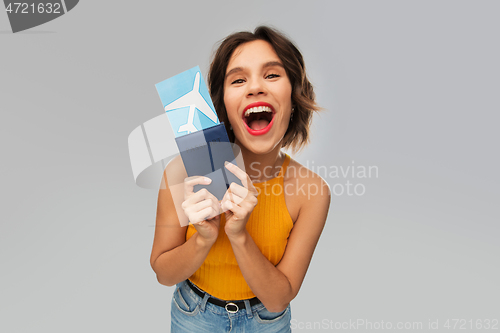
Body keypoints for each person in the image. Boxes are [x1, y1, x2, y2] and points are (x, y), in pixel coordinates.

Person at [150, 26, 331, 333]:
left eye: (272, 75)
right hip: (194, 315)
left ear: (295, 95)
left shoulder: (312, 192)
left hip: (267, 323)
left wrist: (239, 234)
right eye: (238, 79)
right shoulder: (182, 171)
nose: (255, 88)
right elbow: (164, 275)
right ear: (223, 105)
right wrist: (204, 238)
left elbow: (278, 299)